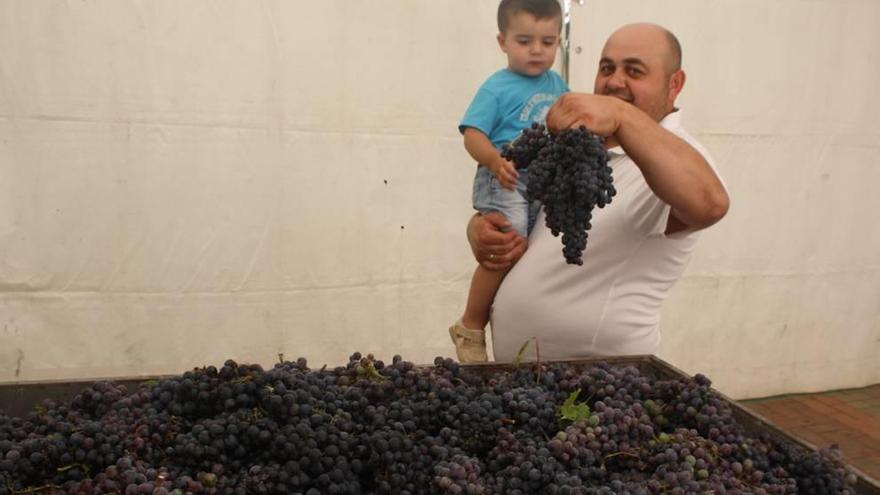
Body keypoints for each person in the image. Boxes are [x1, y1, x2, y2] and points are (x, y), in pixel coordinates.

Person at [462, 22, 730, 362]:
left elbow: (710, 205)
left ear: (674, 84)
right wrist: (481, 227)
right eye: (607, 68)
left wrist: (620, 114)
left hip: (601, 389)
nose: (615, 81)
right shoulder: (582, 148)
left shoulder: (679, 155)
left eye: (634, 70)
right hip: (526, 385)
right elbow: (529, 210)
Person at [448, 0, 570, 363]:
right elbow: (472, 134)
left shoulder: (558, 83)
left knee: (536, 244)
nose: (536, 50)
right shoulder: (496, 88)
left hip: (541, 177)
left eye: (547, 42)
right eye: (524, 41)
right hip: (506, 176)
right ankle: (470, 325)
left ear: (559, 43)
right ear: (502, 41)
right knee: (508, 240)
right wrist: (494, 160)